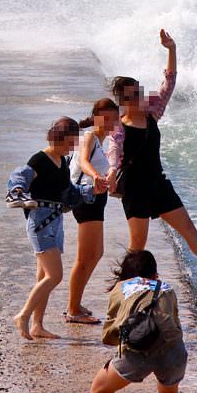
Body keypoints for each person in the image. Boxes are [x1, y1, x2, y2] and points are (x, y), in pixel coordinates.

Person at [106, 29, 197, 285]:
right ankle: (125, 287)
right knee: (137, 244)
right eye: (133, 95)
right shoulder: (119, 128)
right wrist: (109, 173)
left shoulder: (152, 114)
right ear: (124, 101)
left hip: (158, 185)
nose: (140, 97)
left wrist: (171, 49)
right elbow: (114, 156)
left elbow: (169, 83)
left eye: (139, 92)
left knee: (188, 229)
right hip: (135, 190)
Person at [8, 117, 107, 340]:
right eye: (69, 143)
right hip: (40, 224)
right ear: (57, 137)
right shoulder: (39, 160)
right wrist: (16, 192)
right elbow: (19, 177)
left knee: (43, 277)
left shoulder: (61, 161)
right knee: (55, 275)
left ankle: (37, 325)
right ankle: (23, 316)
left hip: (55, 224)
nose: (71, 148)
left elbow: (69, 192)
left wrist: (92, 190)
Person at [88, 250, 186, 393]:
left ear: (125, 274)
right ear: (155, 274)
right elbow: (174, 327)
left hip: (137, 352)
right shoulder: (167, 289)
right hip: (173, 352)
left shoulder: (121, 287)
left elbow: (109, 334)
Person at [64, 98, 120, 325]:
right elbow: (85, 162)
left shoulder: (102, 141)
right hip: (86, 201)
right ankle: (73, 309)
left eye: (113, 120)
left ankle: (75, 304)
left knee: (96, 253)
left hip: (96, 202)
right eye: (105, 119)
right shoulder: (88, 137)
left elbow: (99, 166)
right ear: (96, 116)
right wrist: (96, 176)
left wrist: (109, 177)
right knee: (84, 258)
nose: (109, 124)